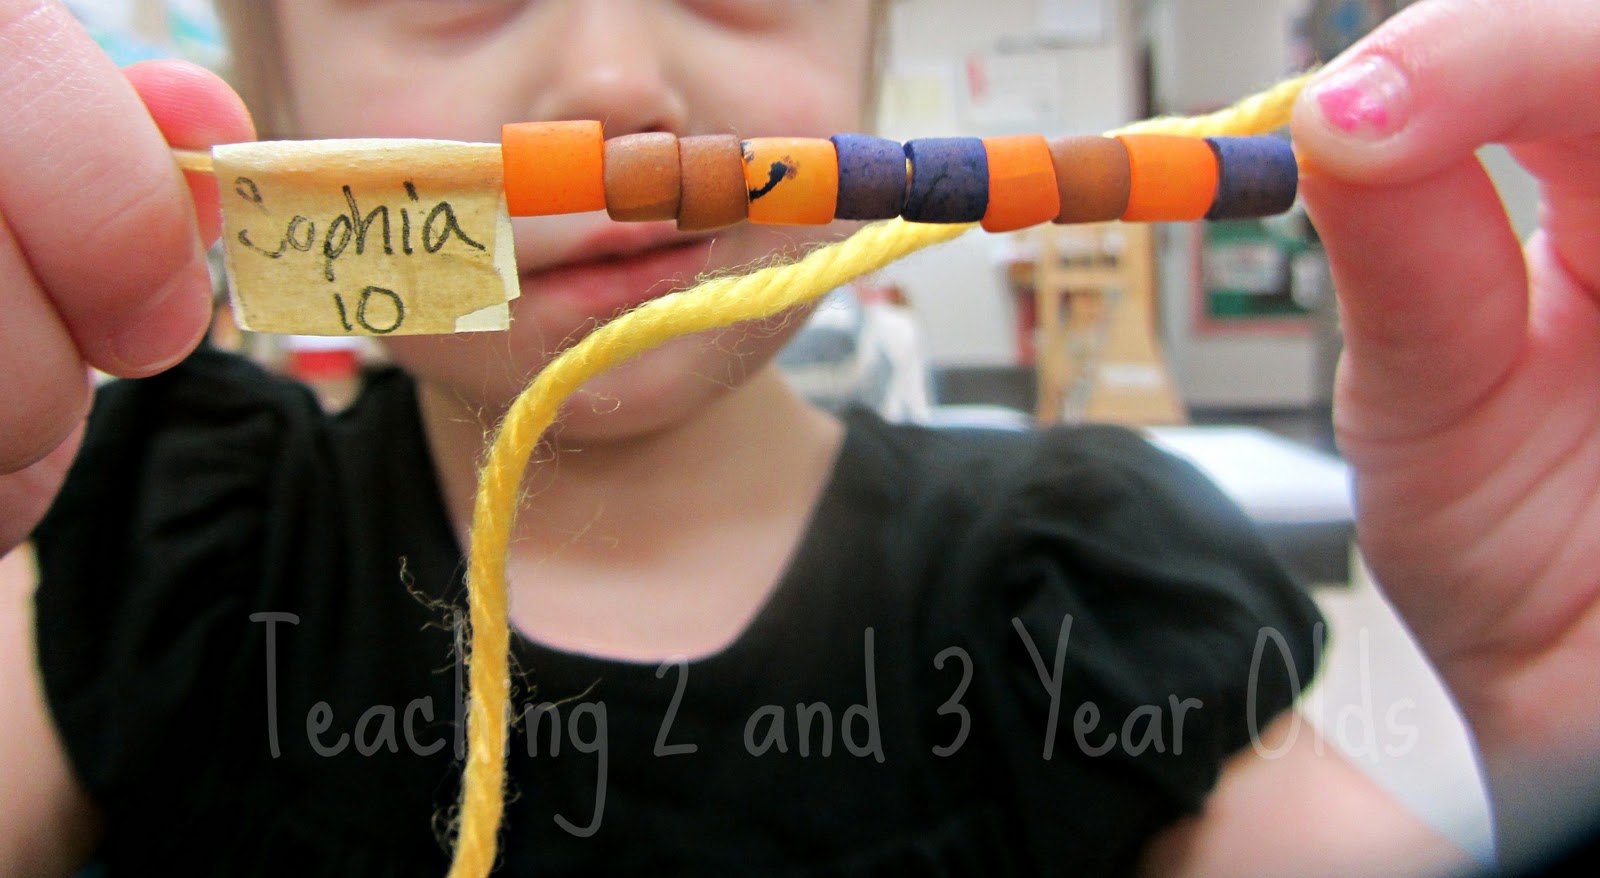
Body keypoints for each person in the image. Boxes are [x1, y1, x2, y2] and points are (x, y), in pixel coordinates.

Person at [1, 0, 1596, 874]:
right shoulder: (150, 545)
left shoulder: (1078, 601)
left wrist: (1559, 687)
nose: (615, 76)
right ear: (268, 105)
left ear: (868, 51)